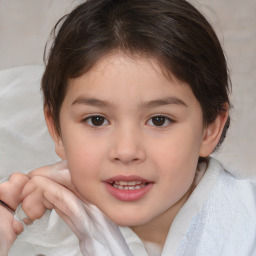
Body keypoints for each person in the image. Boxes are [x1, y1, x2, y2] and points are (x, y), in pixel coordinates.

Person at [0, 0, 256, 255]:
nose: (126, 150)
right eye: (96, 120)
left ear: (210, 128)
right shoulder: (28, 231)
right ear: (56, 129)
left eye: (159, 120)